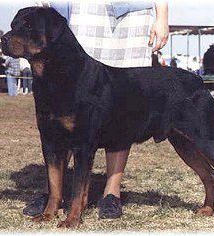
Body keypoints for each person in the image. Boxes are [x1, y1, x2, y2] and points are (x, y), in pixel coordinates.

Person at [24, 1, 169, 219]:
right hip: (85, 9)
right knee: (70, 98)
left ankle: (112, 193)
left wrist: (162, 15)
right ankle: (54, 195)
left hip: (131, 13)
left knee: (121, 104)